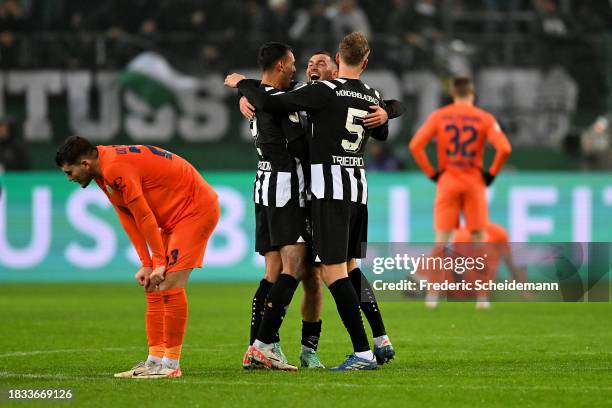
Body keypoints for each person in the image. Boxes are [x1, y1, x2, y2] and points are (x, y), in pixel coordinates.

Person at [226, 32, 390, 370]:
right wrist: (248, 91)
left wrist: (244, 86)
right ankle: (263, 344)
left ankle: (343, 346)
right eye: (307, 63)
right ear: (366, 60)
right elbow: (274, 101)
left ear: (336, 64)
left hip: (316, 192)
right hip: (315, 191)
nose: (310, 67)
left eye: (320, 63)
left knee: (325, 271)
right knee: (313, 269)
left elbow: (271, 98)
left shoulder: (320, 94)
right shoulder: (360, 93)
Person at [55, 136, 219, 378]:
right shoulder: (102, 169)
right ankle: (154, 361)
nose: (69, 178)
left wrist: (160, 261)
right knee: (153, 285)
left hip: (194, 210)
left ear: (85, 164)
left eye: (70, 172)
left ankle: (171, 365)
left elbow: (143, 215)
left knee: (170, 283)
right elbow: (127, 215)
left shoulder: (115, 167)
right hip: (173, 217)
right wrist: (147, 263)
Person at [238, 42, 311, 371]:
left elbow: (265, 93)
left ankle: (256, 348)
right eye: (292, 62)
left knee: (271, 272)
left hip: (263, 186)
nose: (296, 67)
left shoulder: (257, 98)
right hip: (285, 187)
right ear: (281, 64)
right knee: (293, 267)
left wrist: (243, 88)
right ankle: (263, 345)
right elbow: (298, 145)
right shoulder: (276, 103)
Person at [409, 76, 512, 309]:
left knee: (442, 240)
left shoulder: (439, 116)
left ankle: (433, 295)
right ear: (472, 92)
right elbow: (505, 148)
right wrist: (491, 173)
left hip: (448, 179)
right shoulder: (484, 118)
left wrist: (433, 173)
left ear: (453, 93)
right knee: (479, 238)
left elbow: (416, 145)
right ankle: (483, 297)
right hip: (474, 179)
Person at [452, 222, 530, 309]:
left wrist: (522, 289)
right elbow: (457, 266)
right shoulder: (462, 234)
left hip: (487, 287)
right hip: (465, 288)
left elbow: (510, 261)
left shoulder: (497, 232)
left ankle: (482, 297)